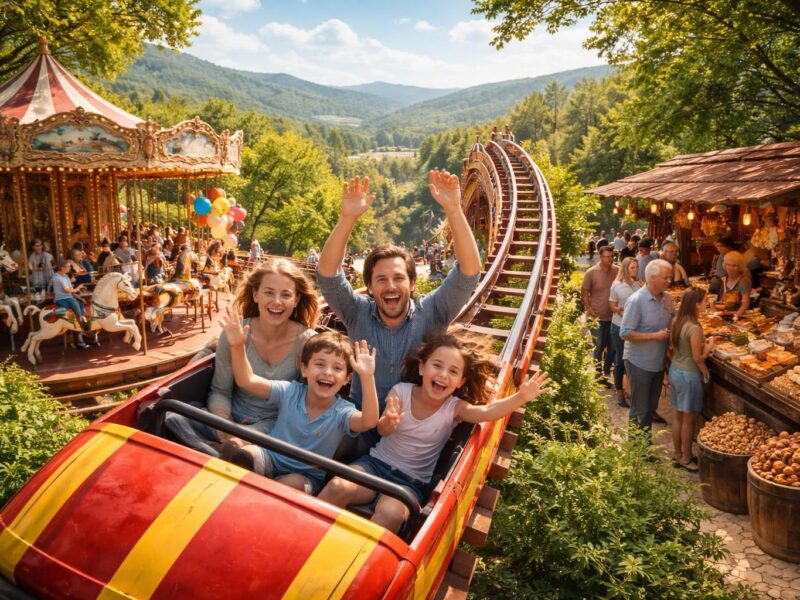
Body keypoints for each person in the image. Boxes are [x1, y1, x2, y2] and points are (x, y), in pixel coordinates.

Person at [319, 333, 552, 532]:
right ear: (422, 367)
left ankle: (359, 570)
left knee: (390, 513)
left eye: (453, 371)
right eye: (437, 366)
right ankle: (304, 540)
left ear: (460, 382)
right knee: (338, 486)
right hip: (375, 464)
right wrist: (389, 421)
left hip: (410, 481)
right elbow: (383, 428)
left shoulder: (454, 408)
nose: (442, 375)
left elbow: (488, 411)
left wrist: (520, 397)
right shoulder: (401, 392)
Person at [317, 171, 481, 450]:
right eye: (381, 280)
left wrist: (453, 209)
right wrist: (347, 219)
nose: (390, 287)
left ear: (413, 283)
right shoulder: (357, 312)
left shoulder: (433, 311)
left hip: (413, 434)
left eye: (398, 278)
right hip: (363, 423)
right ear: (369, 286)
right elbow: (328, 276)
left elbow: (469, 272)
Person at [165, 259, 318, 457]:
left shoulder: (307, 343)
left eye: (286, 295)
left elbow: (299, 407)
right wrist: (224, 424)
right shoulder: (234, 334)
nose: (277, 302)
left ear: (296, 300)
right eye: (269, 292)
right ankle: (220, 451)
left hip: (273, 428)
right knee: (172, 418)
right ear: (255, 294)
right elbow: (220, 390)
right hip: (228, 418)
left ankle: (216, 451)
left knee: (246, 450)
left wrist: (245, 436)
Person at [223, 316, 379, 495]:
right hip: (271, 457)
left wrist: (367, 377)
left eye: (337, 368)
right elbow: (247, 380)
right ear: (304, 369)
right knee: (244, 455)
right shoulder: (290, 392)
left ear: (346, 379)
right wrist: (237, 346)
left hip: (306, 476)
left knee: (290, 483)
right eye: (320, 364)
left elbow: (369, 421)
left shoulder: (342, 412)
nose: (327, 372)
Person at [620, 259, 675, 435]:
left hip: (658, 363)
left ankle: (644, 444)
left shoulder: (667, 299)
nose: (669, 281)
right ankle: (636, 451)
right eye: (665, 277)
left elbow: (673, 320)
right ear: (652, 278)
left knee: (651, 407)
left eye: (670, 277)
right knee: (640, 408)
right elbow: (625, 333)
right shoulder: (636, 301)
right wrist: (655, 336)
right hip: (639, 363)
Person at [668, 287, 714, 472]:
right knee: (689, 419)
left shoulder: (677, 321)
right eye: (704, 301)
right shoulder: (694, 328)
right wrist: (709, 347)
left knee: (678, 416)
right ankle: (687, 458)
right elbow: (697, 357)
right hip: (689, 375)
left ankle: (678, 453)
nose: (706, 304)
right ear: (696, 305)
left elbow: (673, 349)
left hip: (675, 371)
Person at [581, 246, 619, 381]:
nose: (610, 259)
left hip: (614, 317)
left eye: (611, 256)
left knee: (612, 346)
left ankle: (606, 370)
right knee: (599, 346)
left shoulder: (617, 271)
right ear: (600, 257)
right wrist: (588, 307)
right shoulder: (591, 272)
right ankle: (598, 376)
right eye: (607, 256)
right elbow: (584, 291)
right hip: (596, 317)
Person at [608, 257, 641, 407]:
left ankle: (630, 391)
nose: (636, 270)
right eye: (633, 268)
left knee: (631, 359)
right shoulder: (617, 286)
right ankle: (620, 393)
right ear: (626, 269)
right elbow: (612, 306)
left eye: (637, 267)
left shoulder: (636, 285)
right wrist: (621, 311)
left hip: (633, 328)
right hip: (619, 327)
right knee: (621, 360)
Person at [50, 259, 91, 348]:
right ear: (62, 268)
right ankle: (83, 327)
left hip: (68, 297)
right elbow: (67, 290)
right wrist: (78, 288)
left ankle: (81, 329)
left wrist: (80, 297)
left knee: (80, 303)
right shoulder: (58, 277)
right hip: (62, 299)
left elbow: (70, 291)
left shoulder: (65, 276)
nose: (70, 268)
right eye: (68, 266)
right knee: (77, 310)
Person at [709, 251, 752, 318]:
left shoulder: (743, 281)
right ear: (725, 265)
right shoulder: (723, 279)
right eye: (728, 265)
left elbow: (746, 302)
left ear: (739, 267)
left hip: (739, 317)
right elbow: (724, 304)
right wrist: (713, 306)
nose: (730, 268)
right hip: (724, 316)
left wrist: (736, 316)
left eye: (734, 265)